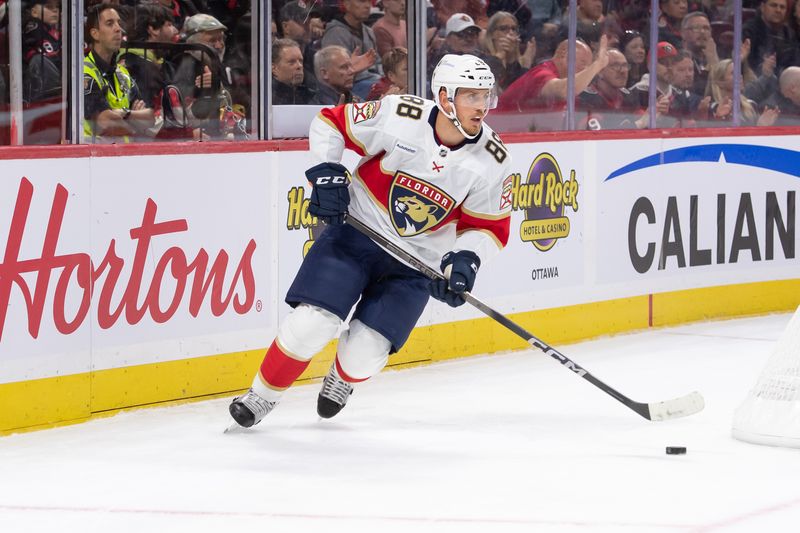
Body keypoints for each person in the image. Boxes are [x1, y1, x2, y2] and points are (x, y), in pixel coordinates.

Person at [228, 54, 512, 428]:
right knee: (312, 323)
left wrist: (464, 261)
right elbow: (330, 124)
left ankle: (342, 380)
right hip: (356, 235)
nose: (482, 107)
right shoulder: (400, 115)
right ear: (445, 97)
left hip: (416, 266)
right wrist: (327, 172)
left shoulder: (493, 158)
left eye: (485, 96)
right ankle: (261, 396)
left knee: (366, 352)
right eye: (471, 96)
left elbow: (489, 227)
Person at [84, 3, 155, 142]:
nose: (118, 29)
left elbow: (150, 118)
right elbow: (105, 123)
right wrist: (135, 122)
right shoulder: (83, 73)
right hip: (93, 157)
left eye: (119, 23)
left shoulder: (123, 73)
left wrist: (124, 114)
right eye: (110, 23)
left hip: (124, 157)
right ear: (95, 33)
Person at [496, 36, 609, 114]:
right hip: (496, 137)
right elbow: (565, 90)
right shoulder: (540, 73)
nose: (586, 70)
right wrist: (597, 65)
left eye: (588, 66)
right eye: (583, 63)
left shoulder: (574, 87)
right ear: (564, 53)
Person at [321, 0, 383, 99]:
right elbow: (335, 73)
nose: (367, 6)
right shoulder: (335, 33)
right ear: (346, 4)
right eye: (361, 1)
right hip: (349, 87)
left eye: (369, 2)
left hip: (373, 79)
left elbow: (377, 62)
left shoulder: (369, 32)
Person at [272, 38, 316, 104]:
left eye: (301, 61)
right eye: (292, 62)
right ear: (274, 68)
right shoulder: (266, 100)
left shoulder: (312, 97)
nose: (299, 66)